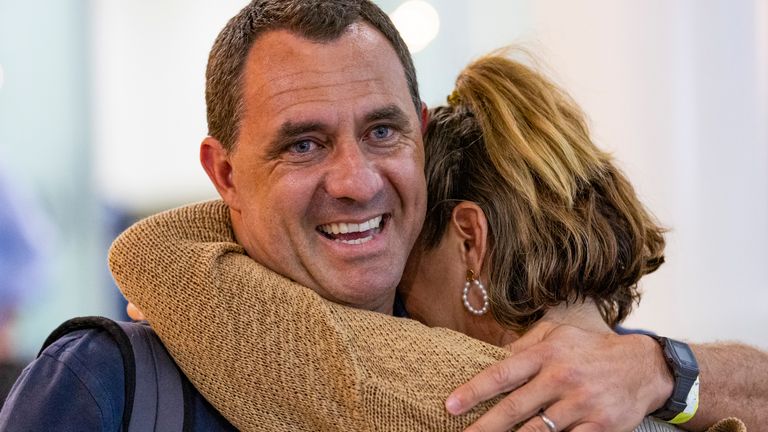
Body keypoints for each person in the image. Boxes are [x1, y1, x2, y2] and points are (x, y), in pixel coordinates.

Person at [1, 1, 763, 431]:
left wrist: (664, 367)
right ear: (225, 174)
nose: (355, 180)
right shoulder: (111, 385)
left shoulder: (569, 372)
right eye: (303, 145)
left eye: (382, 131)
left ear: (421, 133)